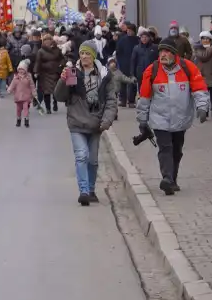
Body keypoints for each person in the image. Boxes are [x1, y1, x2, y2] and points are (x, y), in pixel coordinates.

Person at [137, 37, 210, 195]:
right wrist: (142, 120)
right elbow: (144, 97)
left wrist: (203, 107)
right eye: (161, 51)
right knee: (165, 148)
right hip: (159, 119)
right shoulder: (152, 70)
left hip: (181, 119)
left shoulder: (187, 67)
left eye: (167, 51)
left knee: (177, 150)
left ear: (174, 54)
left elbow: (199, 89)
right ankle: (167, 179)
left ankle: (173, 179)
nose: (163, 54)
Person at [54, 43, 118, 206]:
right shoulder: (73, 73)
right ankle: (83, 191)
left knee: (93, 160)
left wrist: (107, 120)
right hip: (76, 121)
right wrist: (62, 81)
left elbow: (111, 100)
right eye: (81, 53)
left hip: (96, 124)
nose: (84, 57)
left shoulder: (104, 75)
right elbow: (60, 96)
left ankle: (91, 189)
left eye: (87, 54)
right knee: (82, 155)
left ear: (93, 56)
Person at [35, 33, 64, 114]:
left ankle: (55, 103)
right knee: (46, 92)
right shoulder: (41, 51)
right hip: (45, 73)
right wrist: (36, 72)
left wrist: (61, 64)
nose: (47, 42)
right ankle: (48, 108)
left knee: (55, 90)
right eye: (45, 41)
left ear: (52, 41)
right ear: (43, 42)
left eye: (49, 40)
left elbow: (62, 58)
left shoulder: (57, 50)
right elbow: (38, 62)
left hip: (55, 72)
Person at [114, 22, 139, 107]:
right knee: (123, 82)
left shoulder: (137, 40)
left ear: (134, 31)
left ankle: (131, 101)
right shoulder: (122, 39)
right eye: (128, 30)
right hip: (124, 63)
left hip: (134, 63)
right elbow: (118, 51)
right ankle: (123, 100)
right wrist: (120, 61)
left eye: (131, 30)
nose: (129, 32)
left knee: (133, 82)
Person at [8, 59, 35, 127]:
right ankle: (18, 119)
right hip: (18, 96)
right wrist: (9, 89)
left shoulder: (28, 77)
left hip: (26, 96)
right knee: (18, 109)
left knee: (26, 108)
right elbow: (12, 84)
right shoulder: (16, 78)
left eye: (22, 69)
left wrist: (34, 93)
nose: (21, 71)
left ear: (25, 70)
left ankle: (26, 120)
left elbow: (32, 85)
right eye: (19, 69)